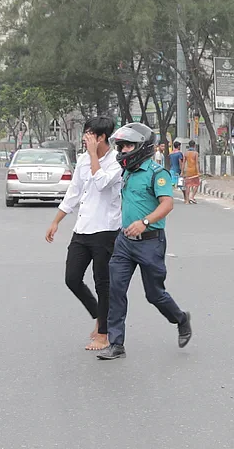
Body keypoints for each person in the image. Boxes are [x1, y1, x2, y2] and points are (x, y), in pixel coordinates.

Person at [96, 123, 192, 360]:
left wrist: (145, 222)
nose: (124, 151)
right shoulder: (126, 172)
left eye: (128, 146)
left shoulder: (157, 173)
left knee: (154, 294)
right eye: (121, 146)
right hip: (125, 243)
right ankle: (116, 344)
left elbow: (167, 204)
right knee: (115, 290)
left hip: (150, 242)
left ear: (142, 147)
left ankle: (180, 318)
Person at [45, 117, 122, 350]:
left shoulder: (117, 162)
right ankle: (100, 317)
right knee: (72, 278)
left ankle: (103, 334)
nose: (85, 138)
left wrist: (93, 156)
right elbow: (74, 191)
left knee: (103, 283)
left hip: (105, 230)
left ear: (102, 137)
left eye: (89, 134)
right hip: (83, 228)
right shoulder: (82, 160)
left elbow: (101, 184)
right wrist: (56, 221)